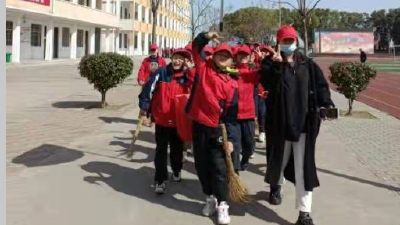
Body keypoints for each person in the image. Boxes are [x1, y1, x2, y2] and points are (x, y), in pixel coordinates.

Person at [260, 25, 335, 225]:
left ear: (296, 42)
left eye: (290, 40)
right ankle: (275, 188)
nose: (288, 44)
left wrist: (326, 104)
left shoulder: (307, 64)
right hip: (280, 125)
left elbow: (321, 87)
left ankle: (304, 212)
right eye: (284, 41)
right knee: (279, 161)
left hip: (304, 125)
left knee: (304, 169)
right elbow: (266, 83)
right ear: (278, 42)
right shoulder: (269, 63)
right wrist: (276, 65)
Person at [186, 31, 238, 225]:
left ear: (231, 61)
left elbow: (232, 117)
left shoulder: (232, 84)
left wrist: (231, 139)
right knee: (201, 165)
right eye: (220, 54)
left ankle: (223, 205)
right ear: (213, 56)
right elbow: (196, 47)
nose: (223, 58)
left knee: (219, 167)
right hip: (199, 126)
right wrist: (206, 36)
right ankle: (209, 198)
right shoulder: (202, 67)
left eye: (227, 56)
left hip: (218, 130)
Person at [138, 48, 192, 194]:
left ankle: (176, 171)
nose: (177, 61)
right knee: (160, 151)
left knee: (177, 150)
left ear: (185, 62)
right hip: (161, 119)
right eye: (176, 57)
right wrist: (144, 106)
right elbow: (148, 89)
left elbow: (197, 89)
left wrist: (190, 71)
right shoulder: (161, 73)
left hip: (178, 121)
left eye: (181, 59)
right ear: (171, 58)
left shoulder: (187, 76)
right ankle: (160, 180)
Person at [231, 45, 260, 171]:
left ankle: (246, 158)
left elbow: (267, 73)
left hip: (248, 113)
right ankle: (235, 170)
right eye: (240, 55)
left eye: (246, 55)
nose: (243, 57)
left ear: (250, 57)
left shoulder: (252, 73)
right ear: (236, 57)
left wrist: (262, 60)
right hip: (233, 114)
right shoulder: (229, 72)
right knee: (235, 144)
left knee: (249, 144)